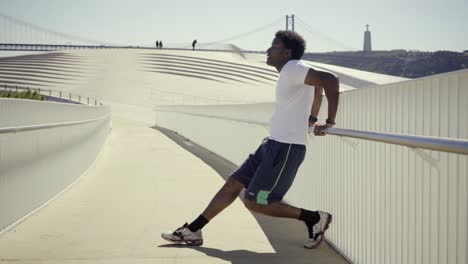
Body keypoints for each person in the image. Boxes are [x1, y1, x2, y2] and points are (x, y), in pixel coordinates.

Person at [161, 30, 339, 249]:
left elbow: (329, 80)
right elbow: (318, 88)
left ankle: (314, 218)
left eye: (273, 46)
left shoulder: (293, 67)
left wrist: (329, 121)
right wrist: (312, 118)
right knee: (232, 185)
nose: (268, 50)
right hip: (272, 144)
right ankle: (193, 230)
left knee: (255, 202)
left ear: (286, 52)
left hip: (286, 148)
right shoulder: (290, 72)